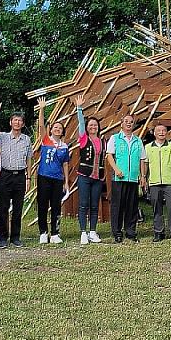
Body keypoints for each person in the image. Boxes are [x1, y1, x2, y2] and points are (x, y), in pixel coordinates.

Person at [0, 98, 33, 248]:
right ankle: (1, 238)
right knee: (3, 208)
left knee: (18, 209)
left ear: (23, 124)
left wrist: (29, 177)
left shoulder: (27, 139)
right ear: (10, 122)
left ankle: (15, 237)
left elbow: (29, 160)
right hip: (5, 175)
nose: (17, 123)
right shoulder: (3, 137)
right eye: (15, 120)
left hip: (20, 175)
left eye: (20, 121)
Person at [144, 110, 171, 243]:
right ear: (154, 133)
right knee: (156, 209)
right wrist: (144, 178)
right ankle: (158, 232)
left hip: (169, 182)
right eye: (159, 131)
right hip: (154, 182)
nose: (162, 132)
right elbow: (145, 164)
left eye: (164, 130)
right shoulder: (147, 147)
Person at [35, 97, 71, 244]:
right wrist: (42, 109)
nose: (57, 129)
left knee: (56, 206)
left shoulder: (64, 146)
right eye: (55, 127)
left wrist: (66, 182)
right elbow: (41, 125)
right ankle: (43, 232)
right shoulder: (46, 140)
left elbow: (65, 165)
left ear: (62, 131)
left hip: (57, 179)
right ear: (52, 129)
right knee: (42, 204)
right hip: (44, 176)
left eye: (60, 128)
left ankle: (55, 233)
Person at [106, 110, 146, 243]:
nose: (129, 124)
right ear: (121, 124)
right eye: (126, 122)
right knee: (118, 205)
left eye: (131, 122)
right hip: (120, 178)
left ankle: (130, 231)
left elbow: (142, 159)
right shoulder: (115, 138)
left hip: (133, 178)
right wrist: (116, 169)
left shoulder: (138, 140)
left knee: (132, 206)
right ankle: (117, 232)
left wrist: (143, 176)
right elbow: (109, 155)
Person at [73, 94, 107, 245]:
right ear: (87, 128)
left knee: (94, 205)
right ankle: (83, 232)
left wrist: (103, 176)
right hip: (84, 176)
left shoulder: (102, 141)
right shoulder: (83, 139)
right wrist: (79, 108)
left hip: (97, 178)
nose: (93, 127)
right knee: (83, 204)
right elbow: (80, 122)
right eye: (90, 125)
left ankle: (93, 231)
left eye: (95, 125)